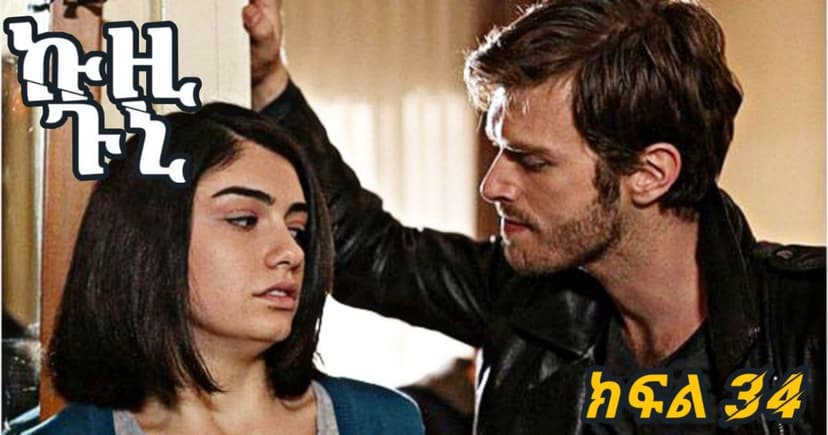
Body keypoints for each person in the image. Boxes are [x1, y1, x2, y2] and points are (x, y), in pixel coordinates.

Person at [244, 0, 825, 434]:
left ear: (650, 174)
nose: (493, 185)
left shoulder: (810, 318)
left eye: (533, 162)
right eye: (500, 150)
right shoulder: (523, 296)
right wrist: (269, 84)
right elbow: (363, 249)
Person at [9, 104, 423, 434]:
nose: (292, 252)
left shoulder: (385, 423)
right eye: (244, 220)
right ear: (149, 240)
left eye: (297, 229)